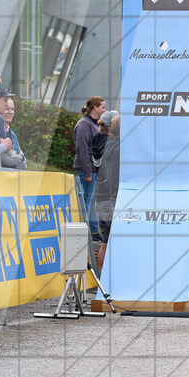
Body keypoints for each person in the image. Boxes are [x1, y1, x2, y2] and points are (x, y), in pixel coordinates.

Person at [74, 96, 106, 240]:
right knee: (86, 200)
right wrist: (87, 171)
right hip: (86, 169)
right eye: (102, 107)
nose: (104, 110)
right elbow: (82, 148)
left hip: (94, 169)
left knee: (92, 201)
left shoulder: (93, 124)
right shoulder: (84, 124)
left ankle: (93, 231)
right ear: (95, 108)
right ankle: (86, 231)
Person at [95, 115, 121, 272]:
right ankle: (109, 279)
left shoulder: (109, 146)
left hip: (102, 199)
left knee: (106, 240)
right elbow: (116, 179)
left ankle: (102, 282)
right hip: (112, 200)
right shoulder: (119, 149)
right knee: (112, 241)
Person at [0, 97, 27, 170]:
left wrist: (19, 160)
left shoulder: (13, 135)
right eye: (7, 109)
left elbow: (24, 163)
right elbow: (2, 159)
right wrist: (20, 159)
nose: (10, 112)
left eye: (12, 109)